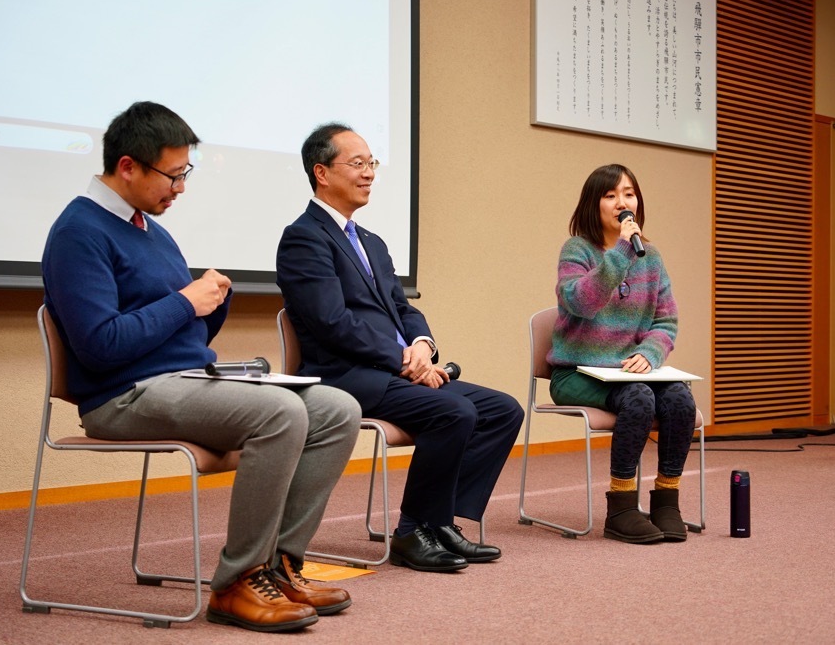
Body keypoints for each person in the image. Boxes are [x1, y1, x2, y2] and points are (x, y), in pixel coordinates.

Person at [41, 102, 362, 633]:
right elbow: (101, 346)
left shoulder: (151, 229)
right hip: (121, 396)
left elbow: (179, 333)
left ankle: (281, 566)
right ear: (128, 167)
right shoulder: (79, 231)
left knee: (337, 408)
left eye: (183, 174)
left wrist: (211, 304)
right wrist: (187, 301)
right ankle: (238, 582)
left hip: (180, 380)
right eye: (172, 175)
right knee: (280, 414)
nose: (180, 188)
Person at [275, 123, 525, 572]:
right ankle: (413, 532)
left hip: (397, 369)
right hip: (347, 375)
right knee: (454, 412)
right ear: (322, 173)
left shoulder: (372, 242)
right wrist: (403, 362)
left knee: (502, 410)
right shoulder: (304, 238)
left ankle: (440, 521)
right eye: (357, 163)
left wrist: (422, 346)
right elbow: (332, 323)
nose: (369, 173)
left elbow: (402, 309)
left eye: (372, 163)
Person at [548, 163, 698, 544]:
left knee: (680, 398)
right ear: (593, 204)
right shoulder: (577, 250)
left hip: (629, 371)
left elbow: (666, 322)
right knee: (639, 398)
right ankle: (621, 506)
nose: (621, 202)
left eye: (628, 194)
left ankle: (666, 500)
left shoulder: (652, 257)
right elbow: (581, 301)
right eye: (610, 195)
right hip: (576, 374)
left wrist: (651, 352)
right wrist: (618, 253)